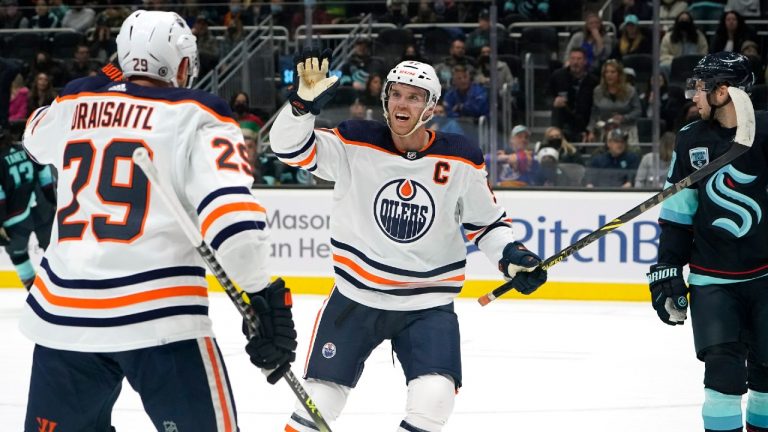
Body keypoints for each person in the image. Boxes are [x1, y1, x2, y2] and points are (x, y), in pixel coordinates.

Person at [19, 11, 297, 431]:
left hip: (64, 319)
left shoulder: (76, 103)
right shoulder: (199, 113)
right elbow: (235, 224)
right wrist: (264, 295)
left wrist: (97, 82)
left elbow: (34, 138)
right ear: (183, 64)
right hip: (161, 319)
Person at [271, 49, 548, 432]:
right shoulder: (355, 141)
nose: (403, 103)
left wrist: (512, 256)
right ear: (385, 100)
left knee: (434, 397)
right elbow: (288, 149)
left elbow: (486, 224)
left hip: (427, 304)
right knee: (319, 400)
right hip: (357, 297)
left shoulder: (462, 158)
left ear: (430, 107)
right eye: (396, 94)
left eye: (414, 97)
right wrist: (301, 106)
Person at [648, 51, 768, 432]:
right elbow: (678, 214)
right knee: (723, 375)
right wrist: (667, 267)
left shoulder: (767, 134)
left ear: (723, 92)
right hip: (712, 280)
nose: (693, 97)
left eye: (700, 88)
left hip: (766, 278)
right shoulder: (690, 140)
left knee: (767, 377)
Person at [0, 126, 55, 289]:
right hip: (41, 208)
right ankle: (66, 291)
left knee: (19, 256)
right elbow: (45, 173)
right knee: (53, 252)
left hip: (15, 219)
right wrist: (52, 201)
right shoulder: (24, 148)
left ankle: (34, 295)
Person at [549, 47, 600, 143]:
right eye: (572, 58)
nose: (575, 62)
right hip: (563, 120)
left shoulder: (593, 81)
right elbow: (547, 95)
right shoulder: (558, 76)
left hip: (584, 120)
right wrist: (554, 101)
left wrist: (590, 128)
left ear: (585, 61)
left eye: (579, 59)